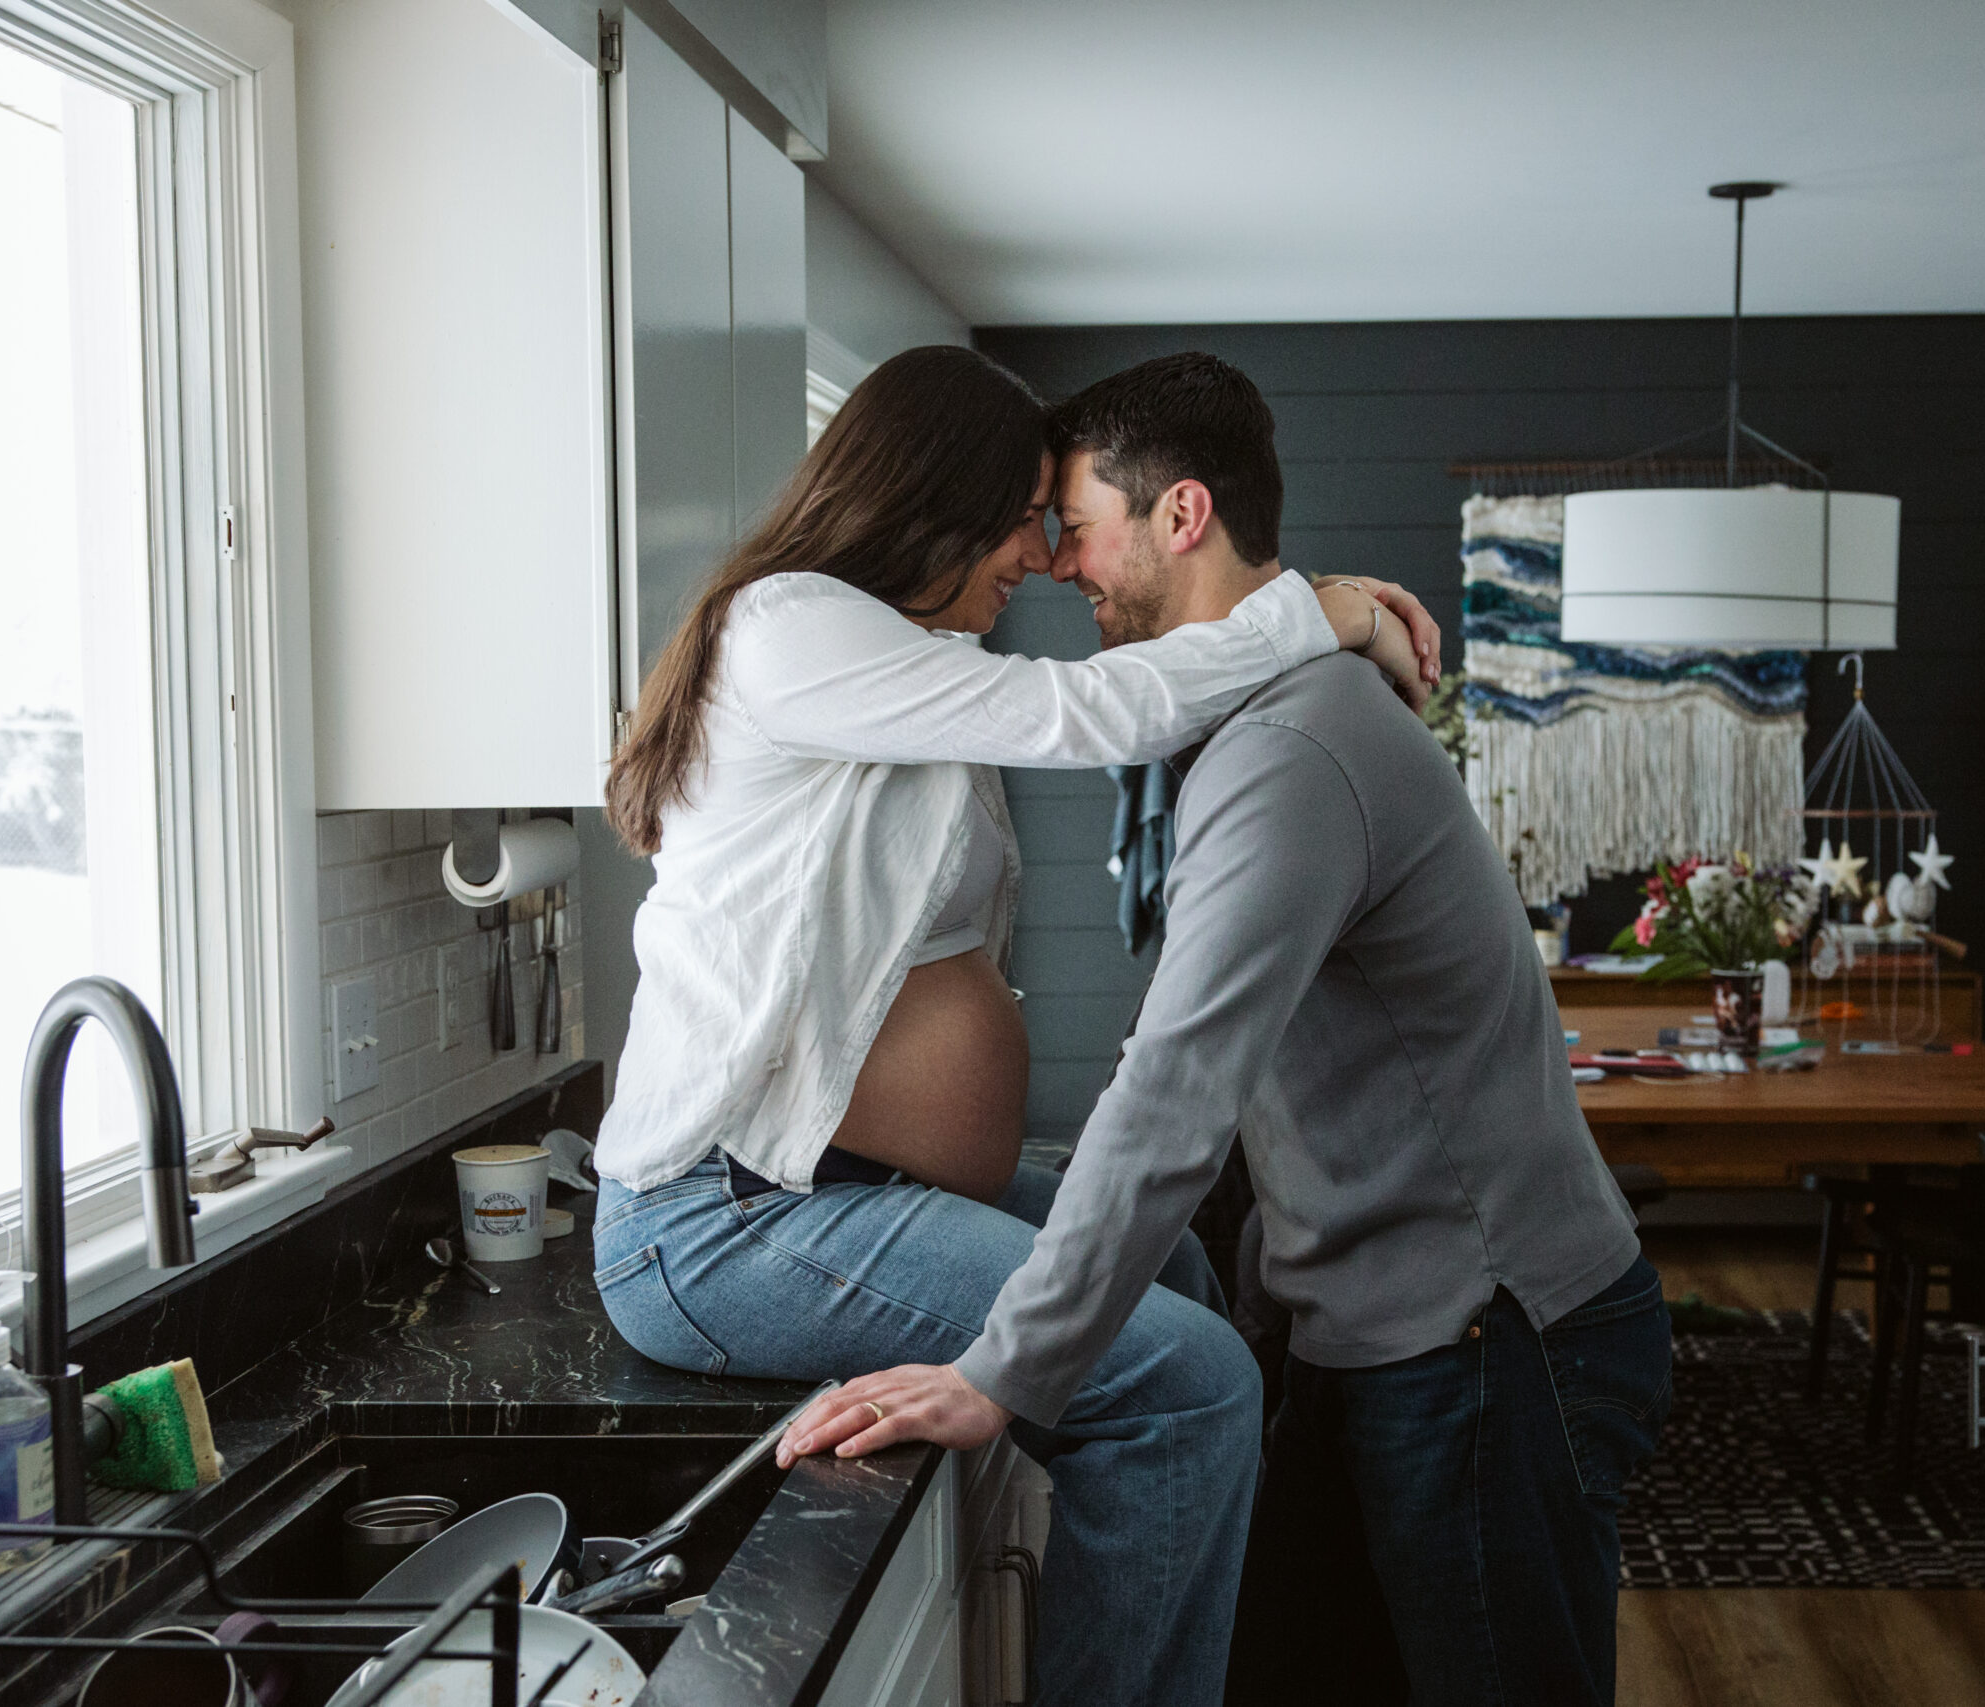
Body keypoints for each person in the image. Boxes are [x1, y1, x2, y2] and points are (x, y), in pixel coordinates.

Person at [789, 353, 1673, 1707]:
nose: (1055, 563)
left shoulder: (1291, 752)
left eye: (1074, 526)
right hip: (1380, 1331)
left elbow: (1180, 1084)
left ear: (1181, 515)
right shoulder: (1250, 724)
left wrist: (1007, 1370)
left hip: (1489, 1338)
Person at [586, 344, 1440, 1707]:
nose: (1043, 558)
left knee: (1176, 1279)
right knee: (1191, 1385)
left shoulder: (885, 655)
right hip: (727, 1217)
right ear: (931, 499)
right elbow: (1086, 712)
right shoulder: (790, 625)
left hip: (837, 1189)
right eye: (1024, 516)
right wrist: (1313, 612)